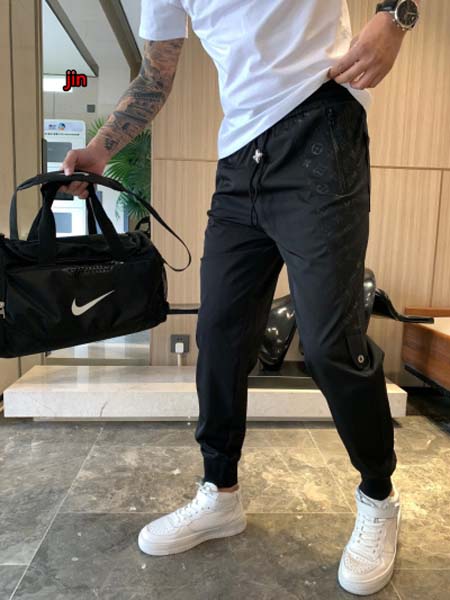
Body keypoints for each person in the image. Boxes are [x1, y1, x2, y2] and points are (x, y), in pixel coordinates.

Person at [61, 0, 420, 594]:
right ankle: (219, 491)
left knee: (330, 344)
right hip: (238, 157)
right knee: (220, 336)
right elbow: (155, 75)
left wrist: (397, 15)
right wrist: (100, 148)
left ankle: (379, 497)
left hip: (322, 124)